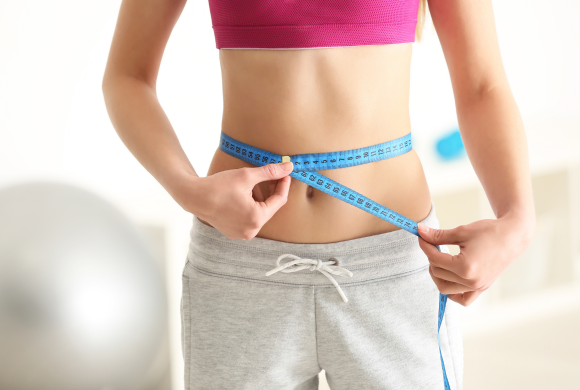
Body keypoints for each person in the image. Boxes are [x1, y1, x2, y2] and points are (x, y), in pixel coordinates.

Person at [102, 0, 536, 388]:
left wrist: (517, 217)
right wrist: (188, 190)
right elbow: (127, 76)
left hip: (392, 266)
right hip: (241, 269)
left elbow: (483, 86)